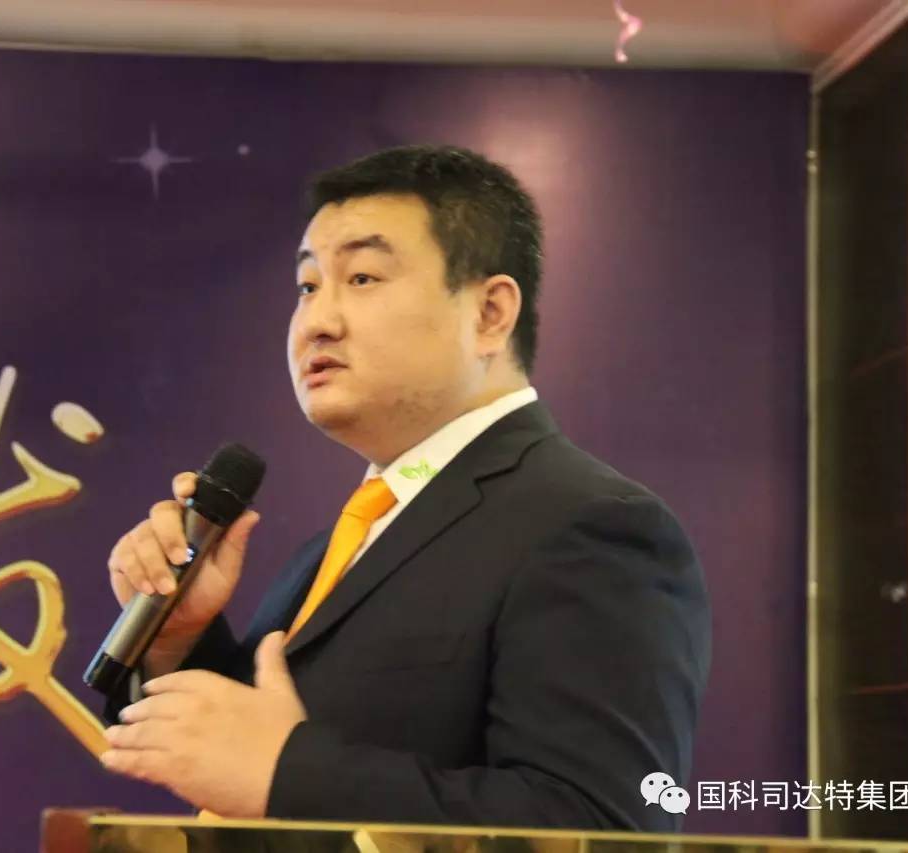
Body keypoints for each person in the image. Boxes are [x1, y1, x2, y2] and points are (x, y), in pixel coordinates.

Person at [98, 144, 711, 831]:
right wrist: (179, 637)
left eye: (362, 277)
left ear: (490, 313)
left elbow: (605, 827)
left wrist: (291, 773)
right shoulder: (344, 542)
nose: (317, 321)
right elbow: (250, 756)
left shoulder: (593, 525)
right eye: (307, 286)